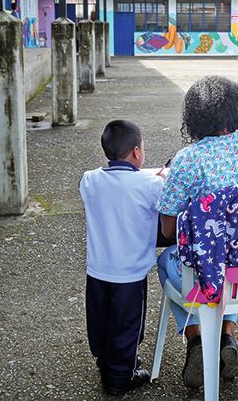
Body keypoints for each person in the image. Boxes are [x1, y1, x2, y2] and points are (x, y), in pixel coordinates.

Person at [156, 76, 238, 389]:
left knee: (170, 261)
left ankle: (196, 340)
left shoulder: (188, 159)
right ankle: (227, 337)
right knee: (234, 256)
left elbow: (168, 228)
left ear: (194, 117)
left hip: (209, 276)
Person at [80, 120, 164, 395]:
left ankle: (107, 362)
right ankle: (119, 378)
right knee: (127, 325)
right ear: (137, 152)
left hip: (98, 270)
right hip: (130, 273)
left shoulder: (90, 179)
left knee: (101, 321)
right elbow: (165, 203)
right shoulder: (151, 184)